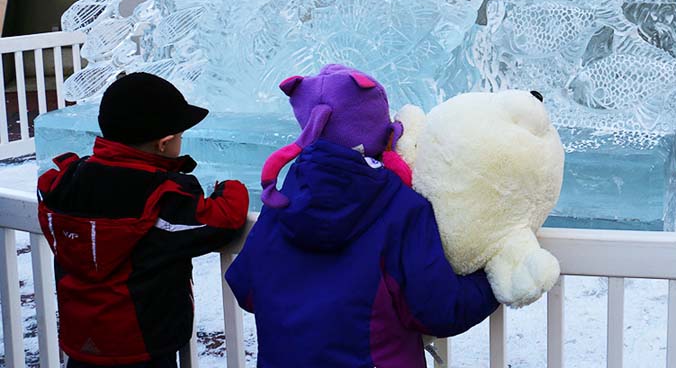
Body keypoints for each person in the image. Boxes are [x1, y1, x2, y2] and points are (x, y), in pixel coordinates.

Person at [225, 65, 498, 368]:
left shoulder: (280, 201)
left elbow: (245, 287)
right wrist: (492, 278)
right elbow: (440, 310)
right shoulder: (403, 207)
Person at [37, 73, 250, 368]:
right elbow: (223, 220)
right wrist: (231, 187)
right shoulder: (162, 195)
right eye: (179, 135)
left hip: (84, 343)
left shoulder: (67, 181)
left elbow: (49, 191)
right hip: (143, 347)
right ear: (164, 143)